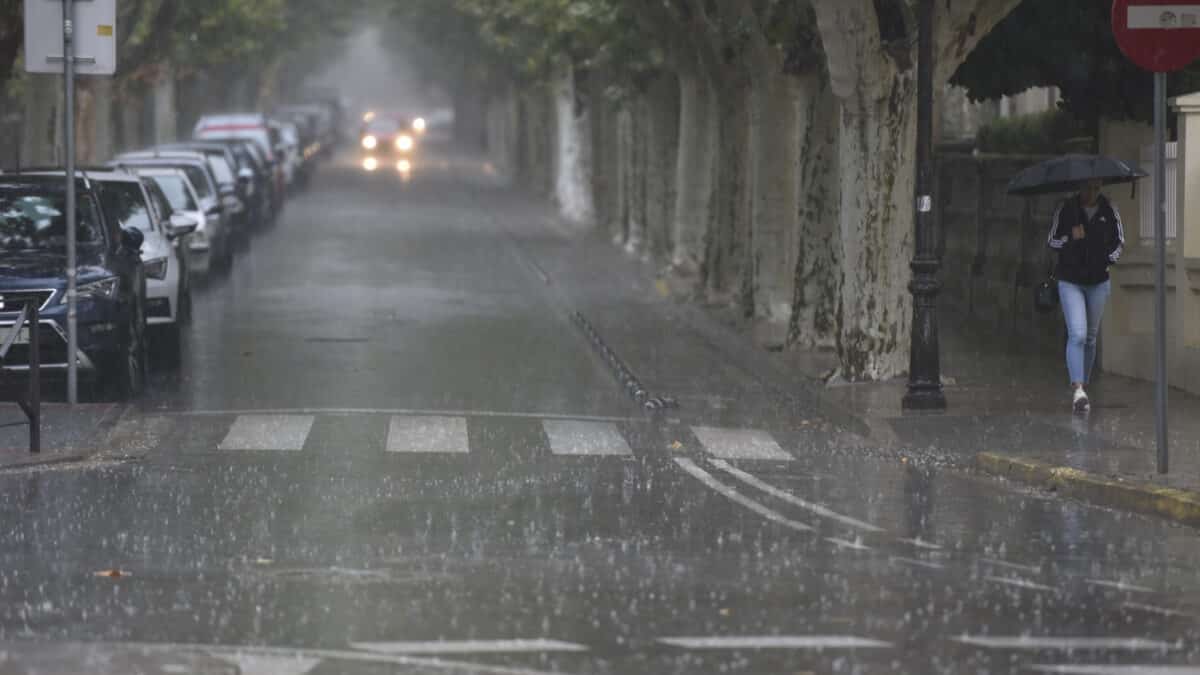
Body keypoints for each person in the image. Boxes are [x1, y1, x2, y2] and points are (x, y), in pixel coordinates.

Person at [1046, 178, 1125, 413]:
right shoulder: (1066, 208)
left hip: (1098, 282)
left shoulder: (1109, 210)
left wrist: (1107, 259)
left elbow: (1119, 242)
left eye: (1096, 188)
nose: (1091, 193)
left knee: (1091, 337)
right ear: (1079, 187)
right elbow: (1052, 240)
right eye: (1087, 188)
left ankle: (1084, 387)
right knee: (1078, 333)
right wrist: (1071, 238)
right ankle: (1078, 389)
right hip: (1071, 280)